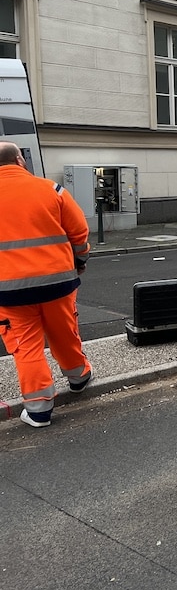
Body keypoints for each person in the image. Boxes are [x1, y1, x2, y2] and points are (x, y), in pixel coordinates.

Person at [0, 142, 92, 428]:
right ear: (20, 160)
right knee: (63, 330)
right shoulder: (51, 190)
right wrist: (80, 261)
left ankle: (39, 411)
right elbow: (79, 232)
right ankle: (78, 377)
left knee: (26, 346)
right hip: (57, 281)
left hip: (9, 290)